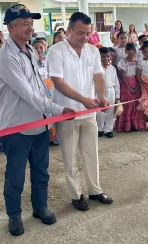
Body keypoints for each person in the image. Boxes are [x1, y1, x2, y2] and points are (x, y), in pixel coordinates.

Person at [0, 4, 74, 236]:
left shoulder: (29, 50)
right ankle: (14, 215)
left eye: (31, 23)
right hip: (17, 126)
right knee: (15, 175)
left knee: (41, 170)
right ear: (10, 27)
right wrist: (57, 109)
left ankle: (40, 207)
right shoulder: (6, 57)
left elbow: (39, 86)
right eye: (24, 23)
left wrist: (49, 112)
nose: (30, 28)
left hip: (39, 123)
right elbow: (27, 94)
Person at [47, 12, 114, 212]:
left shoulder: (93, 51)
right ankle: (76, 195)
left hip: (89, 113)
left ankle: (95, 190)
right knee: (69, 156)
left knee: (91, 153)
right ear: (68, 30)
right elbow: (58, 83)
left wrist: (101, 96)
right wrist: (83, 100)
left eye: (87, 33)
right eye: (79, 33)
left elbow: (99, 77)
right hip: (67, 112)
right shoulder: (56, 51)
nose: (84, 37)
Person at [115, 43, 147, 132]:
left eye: (132, 49)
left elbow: (139, 74)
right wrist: (129, 87)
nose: (131, 51)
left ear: (135, 50)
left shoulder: (138, 61)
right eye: (128, 50)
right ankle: (126, 126)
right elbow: (123, 76)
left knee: (137, 105)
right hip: (127, 84)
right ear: (126, 51)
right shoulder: (122, 62)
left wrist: (137, 85)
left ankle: (136, 125)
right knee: (128, 104)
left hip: (136, 83)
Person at [96, 47, 120, 138]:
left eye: (108, 56)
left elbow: (116, 83)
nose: (106, 59)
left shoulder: (113, 68)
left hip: (111, 91)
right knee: (100, 111)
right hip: (100, 92)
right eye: (103, 57)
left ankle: (108, 129)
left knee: (110, 110)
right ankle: (100, 128)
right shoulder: (97, 69)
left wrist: (117, 96)